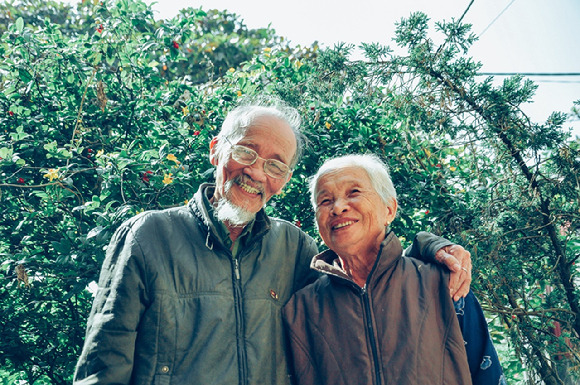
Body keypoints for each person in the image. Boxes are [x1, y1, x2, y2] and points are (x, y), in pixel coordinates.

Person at [73, 97, 473, 385]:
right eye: (246, 151)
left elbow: (366, 274)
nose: (256, 172)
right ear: (217, 151)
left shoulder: (294, 248)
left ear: (283, 180)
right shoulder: (149, 236)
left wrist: (430, 247)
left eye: (276, 165)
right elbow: (103, 365)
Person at [282, 154, 506, 385]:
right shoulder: (300, 309)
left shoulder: (444, 283)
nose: (338, 208)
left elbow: (487, 374)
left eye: (354, 192)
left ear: (389, 209)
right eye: (325, 201)